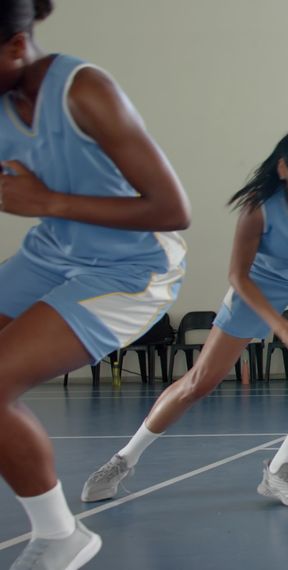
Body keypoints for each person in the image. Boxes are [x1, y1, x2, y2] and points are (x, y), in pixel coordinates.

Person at [81, 129, 288, 509]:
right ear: (284, 170)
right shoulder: (259, 208)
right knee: (199, 383)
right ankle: (123, 460)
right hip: (261, 283)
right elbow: (238, 275)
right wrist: (285, 330)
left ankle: (280, 469)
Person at [0, 1, 190, 567]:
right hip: (51, 253)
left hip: (131, 269)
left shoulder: (83, 91)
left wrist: (47, 202)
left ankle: (61, 536)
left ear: (14, 48)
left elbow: (171, 208)